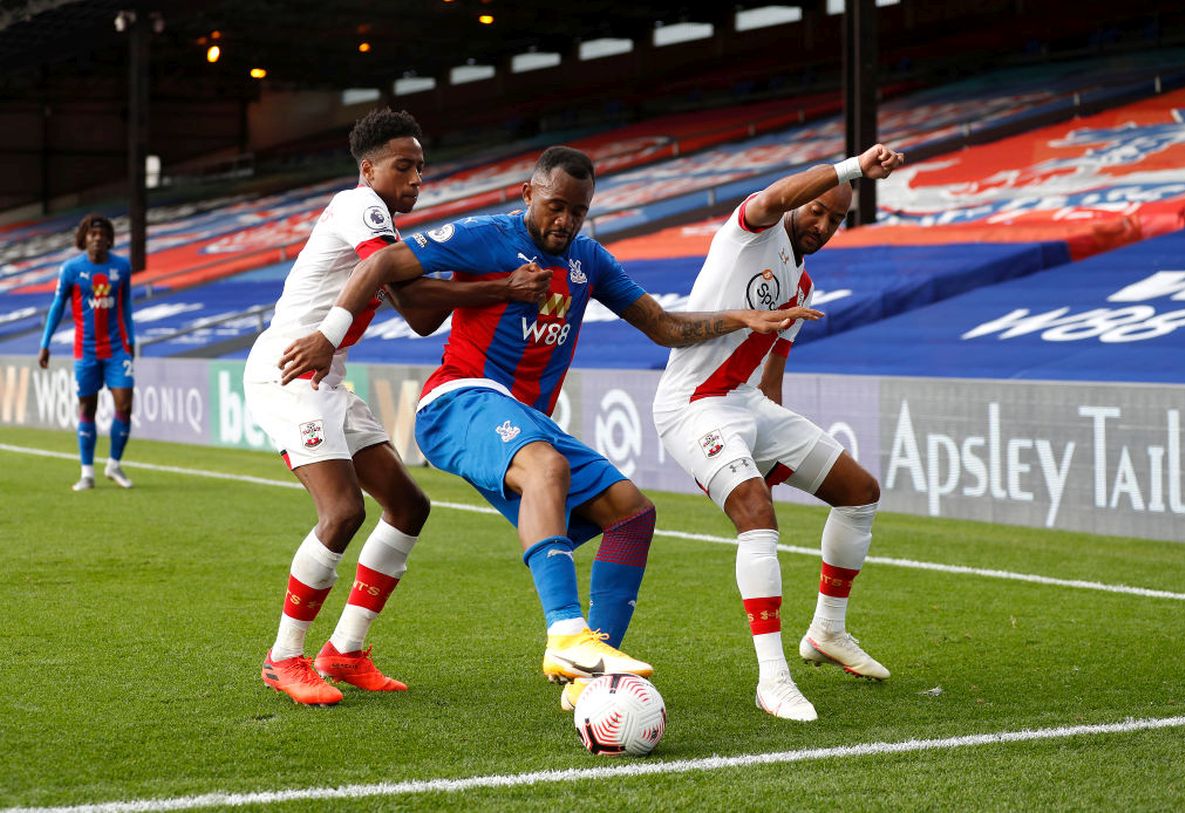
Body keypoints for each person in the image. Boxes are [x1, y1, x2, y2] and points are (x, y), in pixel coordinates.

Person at [277, 146, 817, 710]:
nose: (565, 221)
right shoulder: (486, 235)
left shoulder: (590, 260)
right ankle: (566, 633)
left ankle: (593, 675)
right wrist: (331, 334)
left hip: (524, 420)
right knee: (546, 464)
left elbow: (662, 326)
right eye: (556, 206)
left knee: (632, 514)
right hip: (458, 399)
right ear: (529, 194)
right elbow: (380, 266)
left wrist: (740, 318)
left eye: (578, 212)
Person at [244, 108, 551, 707]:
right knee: (341, 512)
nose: (415, 179)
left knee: (409, 505)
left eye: (421, 169)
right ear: (369, 169)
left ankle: (346, 650)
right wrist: (502, 286)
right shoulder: (361, 206)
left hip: (326, 373)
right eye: (403, 166)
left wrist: (479, 280)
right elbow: (411, 292)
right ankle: (283, 658)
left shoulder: (384, 230)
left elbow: (418, 312)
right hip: (293, 367)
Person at [652, 144, 905, 722]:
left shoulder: (801, 284)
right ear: (799, 202)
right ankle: (773, 678)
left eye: (836, 218)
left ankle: (827, 632)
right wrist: (852, 170)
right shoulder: (751, 231)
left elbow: (772, 378)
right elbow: (775, 196)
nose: (822, 224)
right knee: (756, 513)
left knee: (859, 492)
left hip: (747, 406)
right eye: (816, 210)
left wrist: (770, 443)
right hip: (692, 406)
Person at [38, 214, 136, 491]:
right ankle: (87, 472)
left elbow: (126, 306)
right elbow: (57, 307)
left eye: (103, 234)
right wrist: (45, 343)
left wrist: (131, 340)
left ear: (109, 239)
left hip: (117, 349)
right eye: (92, 234)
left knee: (125, 405)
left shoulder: (121, 267)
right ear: (84, 239)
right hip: (86, 351)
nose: (98, 238)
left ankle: (114, 464)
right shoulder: (71, 269)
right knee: (87, 408)